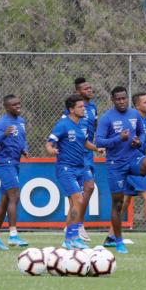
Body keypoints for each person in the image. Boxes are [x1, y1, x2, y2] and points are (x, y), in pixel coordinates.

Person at [96, 86, 146, 254]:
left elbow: (143, 133)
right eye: (118, 99)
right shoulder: (107, 118)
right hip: (115, 164)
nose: (122, 101)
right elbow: (99, 141)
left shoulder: (134, 114)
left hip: (133, 158)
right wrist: (118, 138)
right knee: (118, 203)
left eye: (124, 98)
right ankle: (119, 241)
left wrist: (138, 141)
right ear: (113, 100)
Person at [46, 94, 103, 250]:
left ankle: (69, 240)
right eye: (80, 107)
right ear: (71, 109)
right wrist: (51, 150)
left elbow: (84, 142)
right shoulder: (63, 124)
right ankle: (72, 237)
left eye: (83, 106)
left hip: (80, 167)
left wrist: (97, 148)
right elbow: (49, 143)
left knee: (74, 203)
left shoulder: (82, 125)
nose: (83, 109)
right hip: (66, 168)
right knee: (78, 200)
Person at [0, 94, 29, 250]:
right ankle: (13, 235)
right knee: (14, 196)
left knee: (5, 200)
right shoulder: (3, 123)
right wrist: (4, 134)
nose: (18, 106)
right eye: (14, 105)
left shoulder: (21, 121)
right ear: (7, 107)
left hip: (15, 163)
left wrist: (24, 149)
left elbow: (23, 139)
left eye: (18, 103)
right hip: (4, 163)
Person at [62, 77, 98, 242]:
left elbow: (93, 129)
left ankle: (76, 225)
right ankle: (75, 227)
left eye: (90, 87)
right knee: (77, 195)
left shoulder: (93, 108)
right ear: (78, 92)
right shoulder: (70, 112)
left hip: (88, 153)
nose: (90, 90)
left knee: (89, 188)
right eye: (85, 89)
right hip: (75, 156)